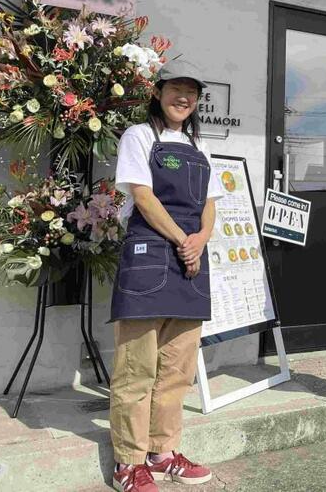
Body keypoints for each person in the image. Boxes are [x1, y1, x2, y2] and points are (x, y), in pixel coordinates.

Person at [109, 62, 220, 492]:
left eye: (191, 92)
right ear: (158, 92)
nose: (184, 98)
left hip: (191, 257)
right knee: (137, 367)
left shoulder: (200, 144)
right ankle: (128, 461)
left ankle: (163, 452)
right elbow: (142, 195)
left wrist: (201, 240)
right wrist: (183, 240)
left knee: (177, 368)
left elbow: (210, 203)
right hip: (151, 254)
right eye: (176, 88)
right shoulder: (139, 136)